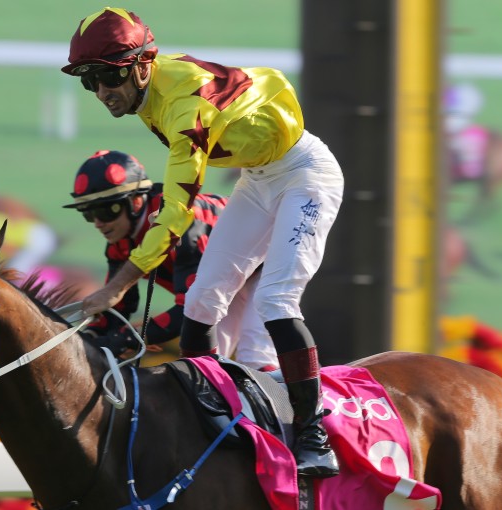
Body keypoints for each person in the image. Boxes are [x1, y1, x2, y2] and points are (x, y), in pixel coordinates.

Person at [61, 8, 344, 477]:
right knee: (200, 301)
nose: (101, 92)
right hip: (257, 179)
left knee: (276, 301)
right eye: (89, 81)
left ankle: (315, 435)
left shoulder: (184, 107)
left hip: (305, 175)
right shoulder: (149, 88)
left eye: (108, 77)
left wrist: (118, 285)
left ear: (142, 64)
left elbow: (176, 211)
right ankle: (206, 414)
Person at [64, 149, 279, 371]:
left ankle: (295, 392)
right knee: (206, 369)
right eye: (89, 214)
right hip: (222, 285)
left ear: (136, 202)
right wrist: (89, 337)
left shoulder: (184, 224)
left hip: (266, 260)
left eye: (107, 210)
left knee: (255, 357)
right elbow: (117, 307)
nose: (98, 223)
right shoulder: (119, 241)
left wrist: (133, 337)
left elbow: (191, 309)